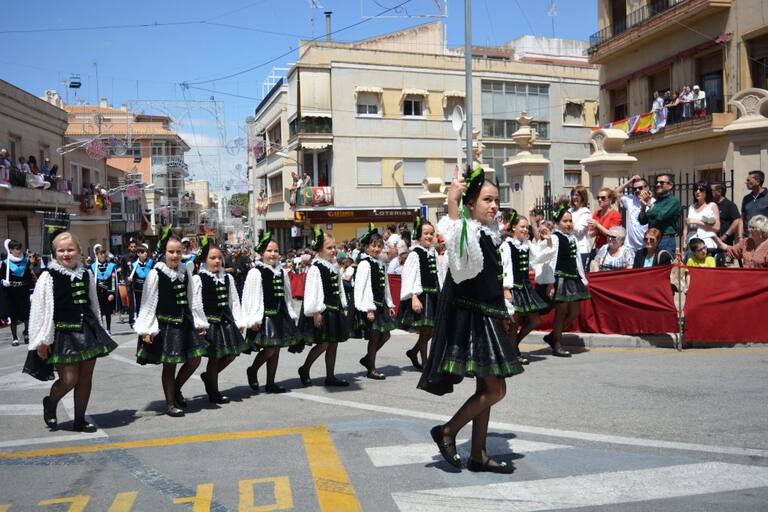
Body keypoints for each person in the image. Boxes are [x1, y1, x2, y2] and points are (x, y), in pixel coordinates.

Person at [419, 166, 523, 474]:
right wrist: (452, 202)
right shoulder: (468, 231)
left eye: (497, 200)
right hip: (477, 320)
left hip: (489, 316)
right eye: (487, 200)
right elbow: (459, 252)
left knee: (485, 388)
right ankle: (448, 430)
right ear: (470, 203)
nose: (494, 206)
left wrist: (505, 310)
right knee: (496, 390)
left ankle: (478, 453)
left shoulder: (488, 233)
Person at [24, 231, 117, 432]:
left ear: (79, 251)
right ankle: (50, 403)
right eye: (61, 250)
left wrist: (99, 328)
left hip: (87, 331)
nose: (66, 254)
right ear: (55, 253)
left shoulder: (86, 273)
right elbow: (39, 311)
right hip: (62, 334)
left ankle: (79, 420)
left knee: (85, 378)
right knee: (69, 379)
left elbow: (93, 304)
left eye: (70, 249)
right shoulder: (48, 276)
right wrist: (40, 341)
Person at [134, 228, 209, 417]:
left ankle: (175, 389)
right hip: (166, 326)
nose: (175, 255)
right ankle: (170, 403)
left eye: (178, 252)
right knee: (170, 365)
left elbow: (192, 300)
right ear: (164, 252)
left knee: (195, 359)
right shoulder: (156, 273)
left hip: (185, 323)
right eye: (171, 252)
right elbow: (148, 303)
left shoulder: (185, 272)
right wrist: (147, 329)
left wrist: (199, 322)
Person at [241, 232, 299, 394]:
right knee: (270, 349)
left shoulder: (282, 272)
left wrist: (290, 312)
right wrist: (253, 318)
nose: (273, 254)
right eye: (269, 251)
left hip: (280, 315)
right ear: (262, 253)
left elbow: (287, 295)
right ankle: (253, 369)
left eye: (276, 251)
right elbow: (250, 297)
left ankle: (270, 383)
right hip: (265, 316)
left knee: (276, 349)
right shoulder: (256, 272)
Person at [192, 237, 247, 404]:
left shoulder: (227, 278)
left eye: (219, 258)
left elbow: (234, 301)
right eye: (212, 258)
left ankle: (209, 377)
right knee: (215, 357)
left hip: (226, 322)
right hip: (210, 323)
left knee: (232, 354)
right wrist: (200, 324)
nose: (216, 261)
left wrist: (239, 321)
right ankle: (213, 391)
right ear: (205, 260)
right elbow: (196, 304)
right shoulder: (199, 278)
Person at [297, 228, 351, 387]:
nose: (333, 250)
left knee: (333, 343)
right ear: (319, 249)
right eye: (329, 248)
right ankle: (305, 368)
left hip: (334, 310)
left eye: (334, 247)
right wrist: (316, 312)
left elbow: (339, 288)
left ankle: (330, 376)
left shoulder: (333, 266)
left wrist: (343, 305)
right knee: (323, 343)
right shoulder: (316, 267)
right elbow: (312, 291)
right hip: (323, 311)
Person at [500, 211, 554, 365]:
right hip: (514, 287)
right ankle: (514, 353)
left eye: (526, 227)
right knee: (514, 323)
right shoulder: (507, 245)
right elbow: (505, 267)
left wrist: (548, 240)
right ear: (514, 228)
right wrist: (506, 289)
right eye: (522, 227)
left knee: (535, 320)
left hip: (525, 288)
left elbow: (540, 257)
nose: (525, 230)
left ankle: (513, 344)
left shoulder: (527, 244)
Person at [542, 200, 590, 358]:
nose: (569, 224)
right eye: (565, 221)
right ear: (557, 223)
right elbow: (551, 260)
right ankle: (557, 344)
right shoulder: (555, 238)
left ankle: (553, 335)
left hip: (573, 278)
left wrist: (582, 278)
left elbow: (577, 260)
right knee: (561, 313)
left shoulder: (573, 238)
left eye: (570, 221)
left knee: (575, 312)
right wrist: (550, 283)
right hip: (561, 278)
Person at [354, 223, 396, 380]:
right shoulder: (365, 264)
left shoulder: (380, 263)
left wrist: (389, 303)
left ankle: (367, 359)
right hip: (370, 306)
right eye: (373, 246)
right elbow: (362, 287)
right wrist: (368, 308)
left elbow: (386, 286)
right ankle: (371, 368)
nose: (376, 249)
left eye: (379, 246)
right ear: (366, 247)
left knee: (386, 335)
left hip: (380, 304)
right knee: (375, 337)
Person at [397, 217, 439, 371]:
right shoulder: (415, 254)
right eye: (425, 233)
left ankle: (414, 352)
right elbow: (409, 276)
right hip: (422, 296)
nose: (429, 236)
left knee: (432, 330)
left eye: (431, 233)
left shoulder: (432, 253)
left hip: (433, 295)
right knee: (425, 329)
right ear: (419, 236)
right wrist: (414, 297)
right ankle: (425, 362)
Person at [1, 239, 34, 345]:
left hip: (23, 291)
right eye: (16, 249)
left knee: (26, 314)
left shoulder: (26, 261)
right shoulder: (6, 263)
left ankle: (27, 333)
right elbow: (1, 277)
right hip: (12, 292)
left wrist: (30, 286)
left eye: (20, 248)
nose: (19, 251)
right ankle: (14, 337)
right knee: (13, 315)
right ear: (10, 250)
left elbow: (29, 276)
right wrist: (3, 281)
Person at [639, 173, 682, 254]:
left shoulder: (673, 201)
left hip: (665, 239)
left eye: (661, 182)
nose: (658, 185)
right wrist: (643, 208)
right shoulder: (656, 202)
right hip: (652, 239)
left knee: (664, 261)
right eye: (657, 182)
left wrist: (649, 202)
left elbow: (660, 216)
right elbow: (643, 221)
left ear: (670, 185)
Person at [615, 175, 653, 252]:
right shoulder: (630, 200)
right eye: (635, 189)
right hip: (629, 247)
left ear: (647, 187)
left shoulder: (653, 202)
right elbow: (615, 193)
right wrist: (630, 181)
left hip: (645, 246)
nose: (637, 190)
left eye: (640, 188)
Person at [683, 181, 720, 257]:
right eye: (695, 189)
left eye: (701, 190)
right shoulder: (691, 207)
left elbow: (717, 227)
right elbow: (686, 226)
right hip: (692, 243)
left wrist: (697, 221)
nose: (697, 192)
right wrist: (684, 242)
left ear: (707, 192)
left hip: (707, 243)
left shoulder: (712, 206)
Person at [91, 245, 117, 335]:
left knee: (107, 311)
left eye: (103, 253)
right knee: (99, 311)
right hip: (97, 292)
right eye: (100, 253)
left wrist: (112, 293)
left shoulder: (111, 266)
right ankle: (101, 329)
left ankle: (108, 329)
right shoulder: (92, 267)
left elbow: (113, 280)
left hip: (107, 292)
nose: (102, 255)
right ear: (97, 255)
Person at [711, 183, 741, 263]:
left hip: (724, 243)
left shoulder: (730, 205)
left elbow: (737, 220)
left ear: (719, 192)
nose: (709, 192)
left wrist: (725, 235)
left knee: (724, 265)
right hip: (711, 242)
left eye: (711, 190)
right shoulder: (711, 205)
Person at [589, 187, 622, 252]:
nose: (599, 199)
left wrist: (598, 225)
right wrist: (596, 231)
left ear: (610, 199)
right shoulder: (597, 213)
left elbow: (612, 234)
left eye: (603, 198)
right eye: (598, 197)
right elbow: (590, 234)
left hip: (611, 249)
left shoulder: (615, 215)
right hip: (598, 248)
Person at [568, 186, 592, 270]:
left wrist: (568, 224)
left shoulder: (585, 212)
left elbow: (580, 231)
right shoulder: (570, 211)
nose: (574, 197)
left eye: (577, 195)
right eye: (573, 195)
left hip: (581, 250)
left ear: (583, 197)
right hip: (570, 248)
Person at [128, 244, 153, 320]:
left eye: (146, 252)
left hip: (149, 289)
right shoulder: (134, 264)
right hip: (138, 289)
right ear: (138, 254)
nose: (145, 254)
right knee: (139, 306)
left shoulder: (151, 262)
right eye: (143, 252)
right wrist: (130, 279)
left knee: (149, 307)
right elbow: (131, 276)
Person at [740, 170, 768, 238]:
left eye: (748, 180)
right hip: (748, 238)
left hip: (764, 238)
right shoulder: (746, 198)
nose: (746, 182)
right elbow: (742, 219)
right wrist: (740, 237)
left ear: (757, 181)